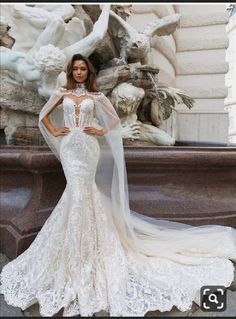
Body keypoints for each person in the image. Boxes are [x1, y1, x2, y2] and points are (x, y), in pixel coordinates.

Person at [0, 53, 236, 317]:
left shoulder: (96, 96)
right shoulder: (61, 93)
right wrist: (57, 132)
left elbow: (112, 120)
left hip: (88, 149)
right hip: (70, 149)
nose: (79, 72)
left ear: (87, 72)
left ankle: (87, 250)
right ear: (71, 71)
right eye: (75, 69)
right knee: (77, 193)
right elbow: (44, 116)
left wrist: (99, 131)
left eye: (82, 69)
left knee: (82, 193)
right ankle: (74, 252)